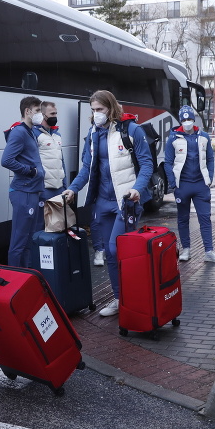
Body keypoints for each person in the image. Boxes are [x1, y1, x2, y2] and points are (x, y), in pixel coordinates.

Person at [61, 90, 153, 317]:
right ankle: (119, 299)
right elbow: (86, 168)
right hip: (102, 201)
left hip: (126, 200)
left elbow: (147, 164)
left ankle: (135, 295)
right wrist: (73, 188)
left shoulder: (131, 129)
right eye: (92, 110)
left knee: (117, 248)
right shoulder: (93, 134)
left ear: (111, 108)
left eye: (99, 110)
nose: (96, 114)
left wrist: (136, 189)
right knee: (109, 254)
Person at [164, 106, 215, 263]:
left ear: (194, 119)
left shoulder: (203, 136)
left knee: (205, 218)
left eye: (189, 119)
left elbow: (210, 159)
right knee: (183, 219)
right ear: (180, 120)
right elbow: (168, 162)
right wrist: (173, 184)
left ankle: (209, 251)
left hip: (200, 185)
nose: (187, 122)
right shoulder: (173, 138)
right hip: (182, 185)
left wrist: (209, 178)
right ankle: (186, 250)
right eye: (183, 120)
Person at [1, 96, 46, 267]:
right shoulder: (19, 132)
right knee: (19, 242)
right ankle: (14, 278)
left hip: (32, 192)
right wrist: (30, 171)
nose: (40, 115)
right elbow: (6, 160)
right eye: (37, 111)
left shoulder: (29, 132)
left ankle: (25, 277)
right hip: (24, 193)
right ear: (27, 111)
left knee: (28, 241)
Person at [34, 101, 68, 230]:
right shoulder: (34, 134)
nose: (55, 116)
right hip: (44, 189)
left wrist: (65, 186)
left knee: (57, 227)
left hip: (59, 189)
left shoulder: (57, 135)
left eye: (56, 113)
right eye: (52, 113)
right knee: (40, 227)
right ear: (42, 115)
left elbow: (61, 162)